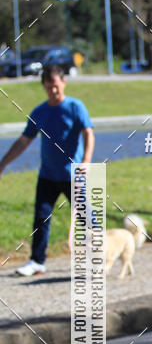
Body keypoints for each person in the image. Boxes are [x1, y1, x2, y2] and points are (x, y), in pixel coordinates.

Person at [0, 64, 94, 275]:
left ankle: (97, 258)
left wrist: (86, 162)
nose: (53, 90)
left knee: (86, 216)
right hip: (47, 175)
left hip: (73, 175)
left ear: (64, 83)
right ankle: (37, 261)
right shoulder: (40, 112)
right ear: (43, 86)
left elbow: (89, 134)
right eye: (48, 86)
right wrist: (3, 163)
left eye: (56, 85)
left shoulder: (75, 107)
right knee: (41, 217)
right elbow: (24, 141)